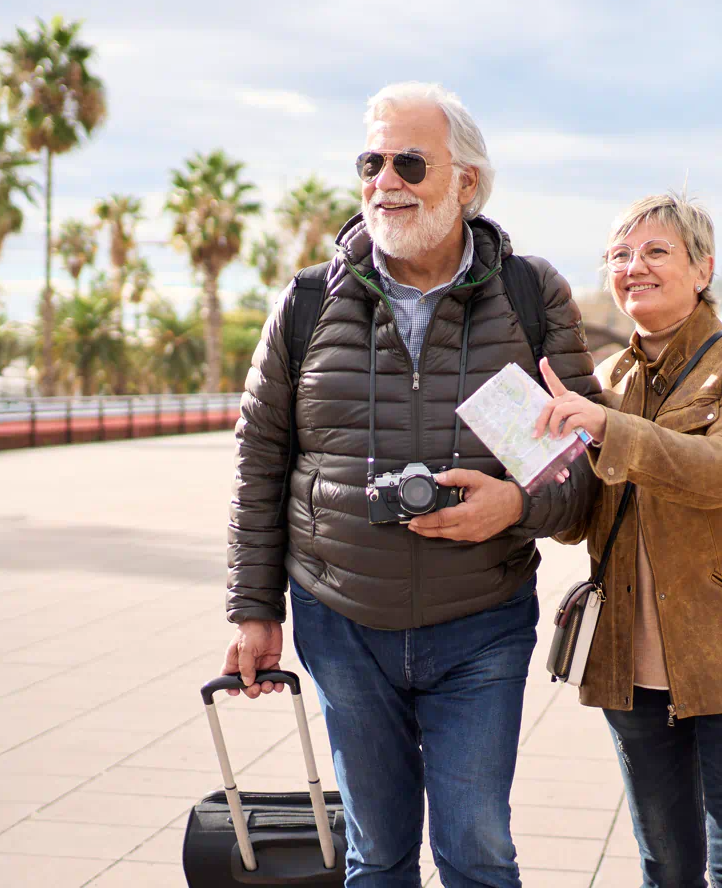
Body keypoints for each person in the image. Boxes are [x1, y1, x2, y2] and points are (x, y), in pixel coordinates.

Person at [221, 82, 599, 888]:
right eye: (372, 160)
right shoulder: (305, 303)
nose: (384, 180)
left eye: (410, 161)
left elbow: (583, 477)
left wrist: (518, 506)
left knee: (476, 852)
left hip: (482, 624)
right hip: (341, 624)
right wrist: (254, 611)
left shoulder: (532, 296)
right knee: (377, 857)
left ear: (466, 182)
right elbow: (259, 462)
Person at [535, 192, 722, 888]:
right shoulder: (606, 382)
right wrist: (533, 466)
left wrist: (608, 430)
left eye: (655, 251)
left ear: (703, 269)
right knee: (664, 869)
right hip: (628, 669)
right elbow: (581, 521)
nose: (633, 267)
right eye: (619, 256)